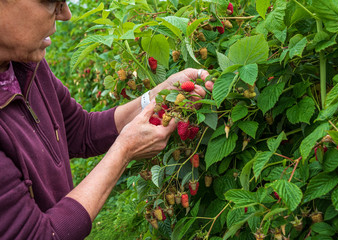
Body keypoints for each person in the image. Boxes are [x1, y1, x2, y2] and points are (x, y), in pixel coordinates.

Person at [0, 1, 214, 239]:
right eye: (51, 2)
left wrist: (157, 96)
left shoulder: (27, 65)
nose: (66, 14)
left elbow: (80, 129)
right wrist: (124, 150)